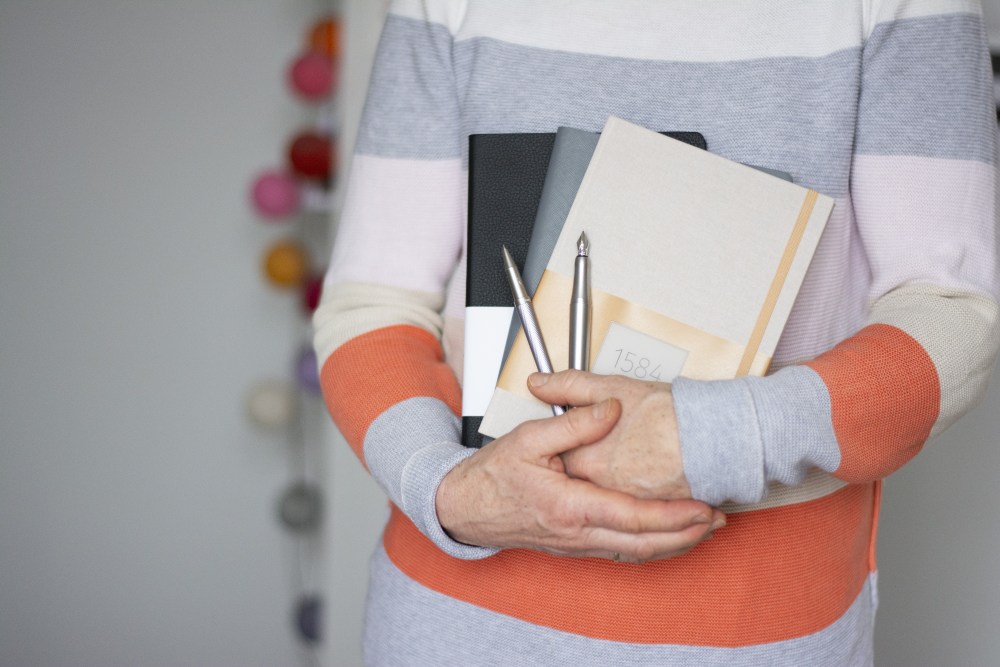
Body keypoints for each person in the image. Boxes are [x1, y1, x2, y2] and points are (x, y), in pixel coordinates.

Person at [313, 1, 999, 664]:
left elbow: (950, 309)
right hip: (449, 625)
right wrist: (447, 489)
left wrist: (722, 434)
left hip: (758, 633)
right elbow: (372, 302)